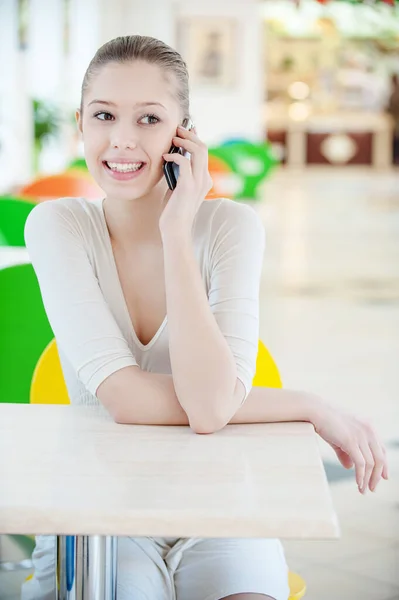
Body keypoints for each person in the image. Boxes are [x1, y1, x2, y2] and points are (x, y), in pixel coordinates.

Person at [22, 35, 388, 600]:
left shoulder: (231, 229)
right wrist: (307, 404)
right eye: (103, 115)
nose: (122, 139)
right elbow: (133, 400)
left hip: (221, 500)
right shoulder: (57, 226)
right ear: (81, 124)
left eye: (149, 118)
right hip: (100, 503)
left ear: (183, 132)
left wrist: (176, 232)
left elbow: (212, 406)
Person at [387, 73, 399, 165]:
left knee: (395, 141)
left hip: (396, 121)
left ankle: (395, 158)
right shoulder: (394, 93)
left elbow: (390, 108)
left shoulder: (395, 94)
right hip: (395, 121)